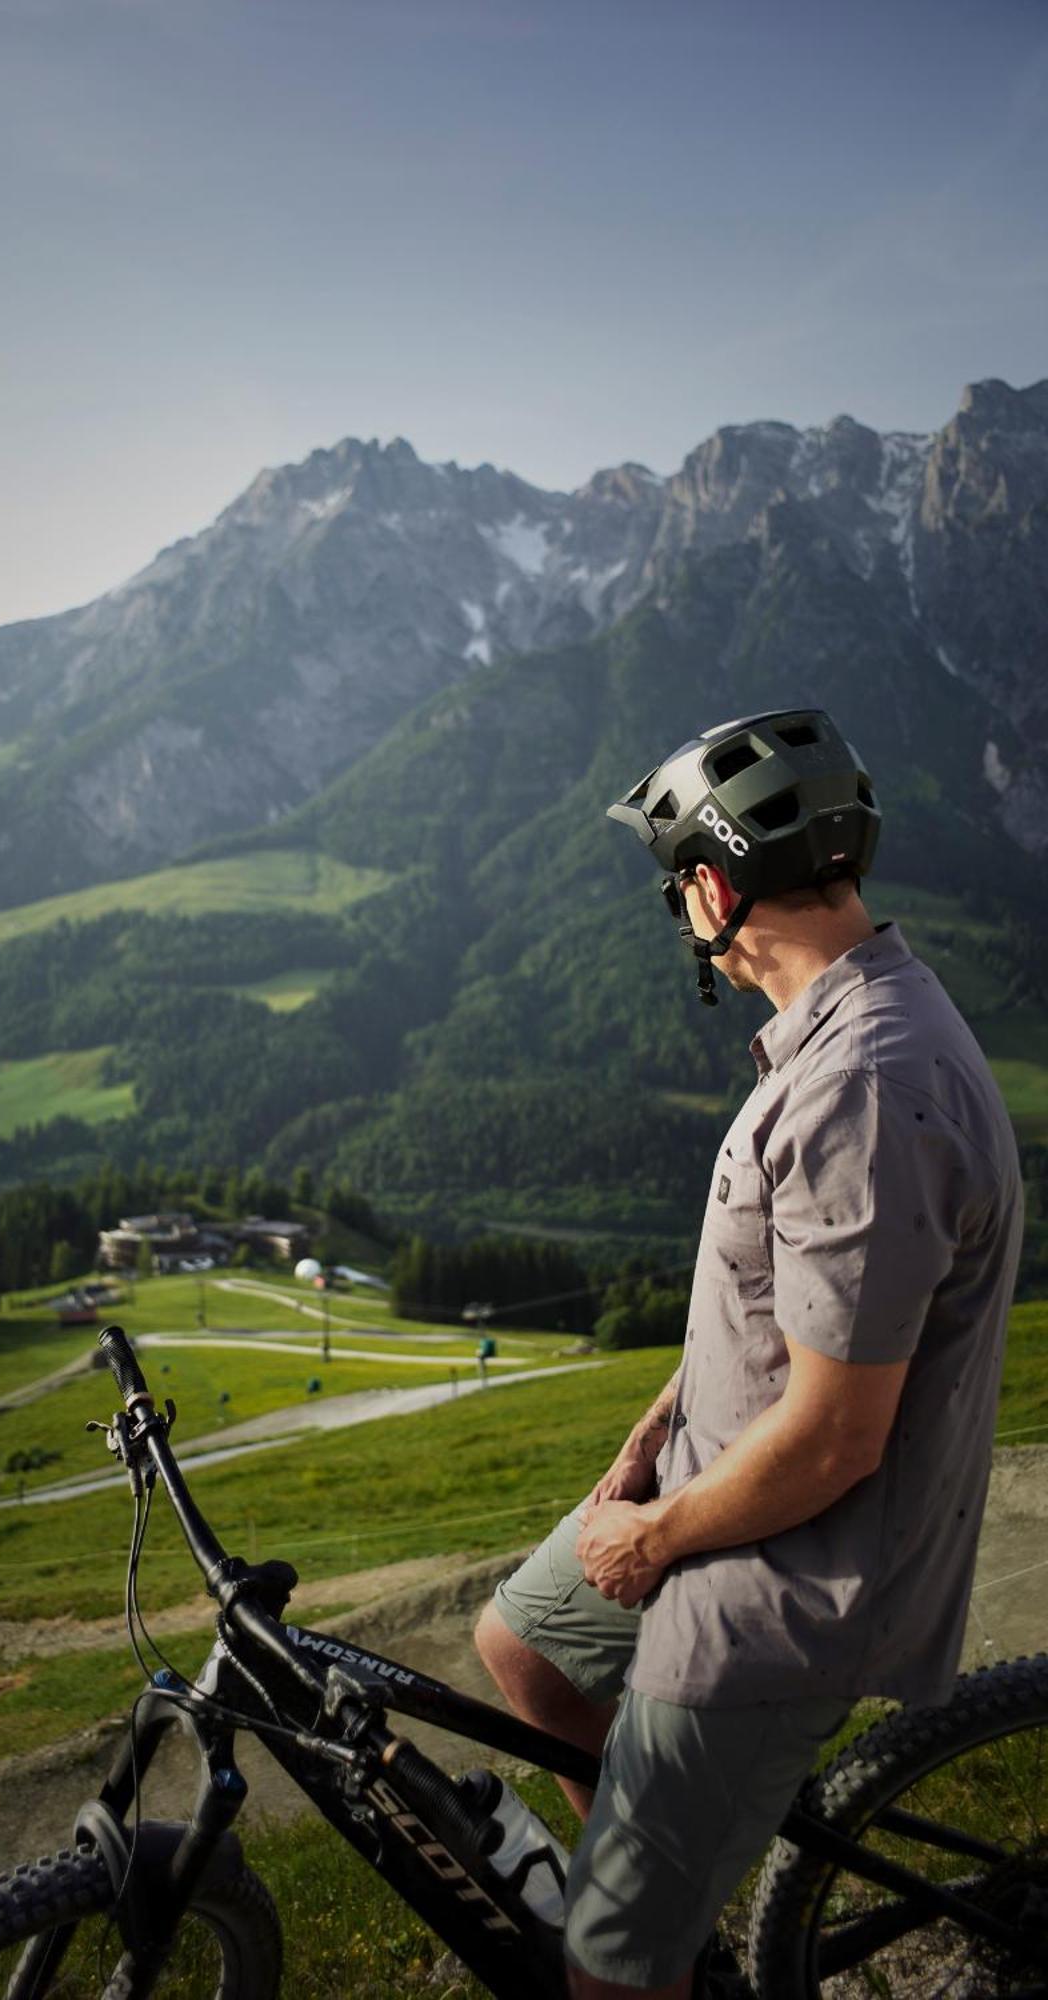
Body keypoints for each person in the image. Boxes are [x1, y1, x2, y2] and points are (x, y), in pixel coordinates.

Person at [473, 708, 1024, 2000]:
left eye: (680, 891)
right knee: (526, 1655)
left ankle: (642, 1947)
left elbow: (839, 1436)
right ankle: (674, 1906)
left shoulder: (866, 1089)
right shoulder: (843, 1032)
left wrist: (657, 1539)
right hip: (714, 1478)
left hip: (784, 1590)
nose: (685, 920)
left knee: (601, 1979)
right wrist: (661, 1423)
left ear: (717, 890)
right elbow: (802, 1301)